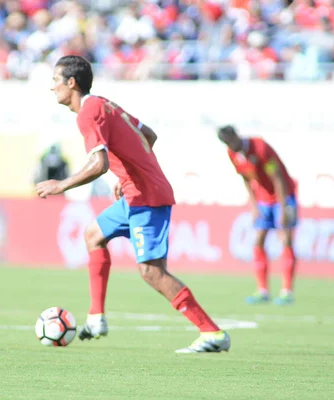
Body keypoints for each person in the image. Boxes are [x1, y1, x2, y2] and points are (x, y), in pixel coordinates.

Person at [36, 55, 230, 353]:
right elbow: (149, 134)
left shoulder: (87, 113)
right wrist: (128, 171)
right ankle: (96, 317)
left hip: (146, 196)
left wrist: (60, 185)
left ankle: (211, 333)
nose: (52, 88)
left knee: (151, 272)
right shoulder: (103, 103)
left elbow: (98, 164)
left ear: (70, 83)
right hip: (134, 191)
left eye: (55, 81)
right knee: (93, 234)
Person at [217, 125, 298, 306]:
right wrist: (253, 205)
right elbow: (246, 178)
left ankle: (287, 291)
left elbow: (277, 177)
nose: (232, 145)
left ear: (237, 135)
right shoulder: (233, 154)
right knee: (258, 240)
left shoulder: (259, 147)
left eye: (232, 141)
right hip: (263, 199)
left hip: (284, 196)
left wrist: (284, 207)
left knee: (285, 238)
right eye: (227, 143)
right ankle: (262, 290)